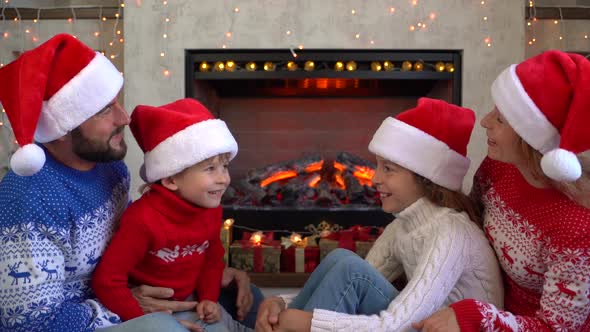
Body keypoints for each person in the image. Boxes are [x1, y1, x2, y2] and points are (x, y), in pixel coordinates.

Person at [0, 34, 261, 332]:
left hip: (122, 293)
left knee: (240, 297)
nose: (124, 118)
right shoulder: (30, 200)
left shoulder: (111, 169)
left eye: (117, 103)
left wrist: (198, 266)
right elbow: (28, 324)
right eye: (104, 110)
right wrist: (125, 307)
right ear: (61, 127)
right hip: (87, 320)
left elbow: (139, 236)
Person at [255, 98, 504, 332]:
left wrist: (306, 322)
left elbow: (397, 324)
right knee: (342, 259)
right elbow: (351, 284)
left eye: (388, 169)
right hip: (418, 324)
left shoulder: (450, 232)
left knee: (351, 269)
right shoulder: (404, 226)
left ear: (425, 179)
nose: (375, 179)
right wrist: (282, 305)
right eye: (377, 166)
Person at [414, 50, 590, 331]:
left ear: (531, 138)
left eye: (501, 119)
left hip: (506, 321)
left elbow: (557, 328)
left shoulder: (576, 227)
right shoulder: (500, 167)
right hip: (478, 298)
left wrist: (479, 317)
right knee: (347, 268)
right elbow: (469, 224)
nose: (484, 121)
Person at [92, 98, 250, 332]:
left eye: (224, 166)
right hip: (149, 310)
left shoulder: (209, 209)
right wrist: (144, 321)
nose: (224, 178)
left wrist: (208, 297)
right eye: (210, 169)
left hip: (191, 300)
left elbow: (212, 258)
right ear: (170, 179)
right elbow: (107, 280)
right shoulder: (143, 220)